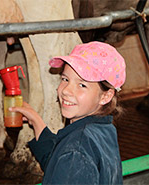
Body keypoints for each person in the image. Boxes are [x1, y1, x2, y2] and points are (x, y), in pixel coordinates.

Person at [9, 41, 126, 184]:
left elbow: (69, 162)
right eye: (65, 79)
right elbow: (58, 166)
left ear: (105, 96)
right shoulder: (103, 130)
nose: (65, 90)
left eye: (82, 85)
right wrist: (36, 121)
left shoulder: (76, 151)